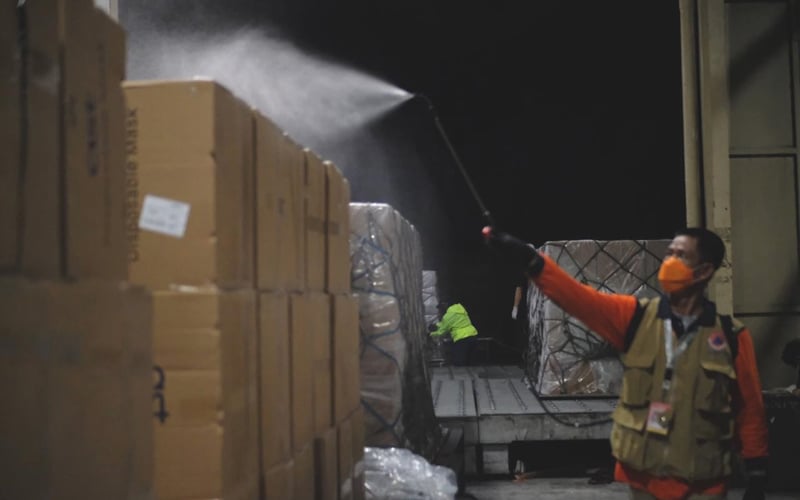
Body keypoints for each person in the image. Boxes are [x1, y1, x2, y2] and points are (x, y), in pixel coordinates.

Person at [485, 226, 768, 500]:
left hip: (704, 482)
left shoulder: (731, 337)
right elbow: (579, 298)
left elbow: (750, 406)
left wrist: (756, 470)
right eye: (669, 253)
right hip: (645, 479)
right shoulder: (636, 318)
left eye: (680, 255)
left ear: (705, 271)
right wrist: (530, 261)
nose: (669, 261)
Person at [430, 301, 479, 366]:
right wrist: (437, 325)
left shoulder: (447, 316)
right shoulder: (460, 309)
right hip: (473, 335)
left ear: (444, 308)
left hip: (462, 338)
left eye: (440, 309)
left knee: (459, 362)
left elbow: (441, 332)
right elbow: (452, 322)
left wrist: (431, 334)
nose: (440, 311)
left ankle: (462, 375)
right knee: (471, 362)